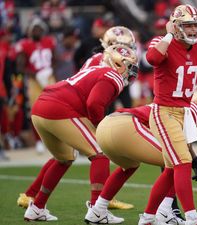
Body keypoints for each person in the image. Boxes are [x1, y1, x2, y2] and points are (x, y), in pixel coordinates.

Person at [17, 25, 136, 211]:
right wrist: (99, 123)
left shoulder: (99, 60)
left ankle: (33, 199)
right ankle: (100, 204)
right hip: (68, 107)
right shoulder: (106, 66)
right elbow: (93, 100)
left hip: (54, 102)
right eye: (119, 46)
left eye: (126, 46)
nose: (125, 52)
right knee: (99, 151)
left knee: (64, 156)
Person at [138, 4, 197, 225]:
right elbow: (152, 59)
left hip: (183, 111)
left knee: (172, 169)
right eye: (187, 25)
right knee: (183, 161)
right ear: (176, 26)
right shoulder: (162, 41)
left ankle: (148, 217)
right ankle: (191, 216)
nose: (192, 30)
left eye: (195, 25)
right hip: (163, 111)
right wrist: (170, 35)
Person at [84, 86, 197, 224]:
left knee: (130, 166)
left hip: (106, 126)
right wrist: (193, 159)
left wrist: (194, 158)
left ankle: (98, 210)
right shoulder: (191, 108)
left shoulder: (172, 105)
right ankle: (164, 212)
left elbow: (180, 140)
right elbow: (181, 146)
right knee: (177, 161)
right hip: (127, 125)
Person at [15, 17, 56, 153]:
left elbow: (55, 60)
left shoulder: (49, 42)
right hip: (34, 81)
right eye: (35, 28)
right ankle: (39, 140)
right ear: (30, 31)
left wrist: (50, 71)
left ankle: (56, 139)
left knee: (55, 109)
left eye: (39, 29)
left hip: (49, 78)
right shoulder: (25, 45)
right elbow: (20, 66)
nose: (37, 31)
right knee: (35, 111)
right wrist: (36, 75)